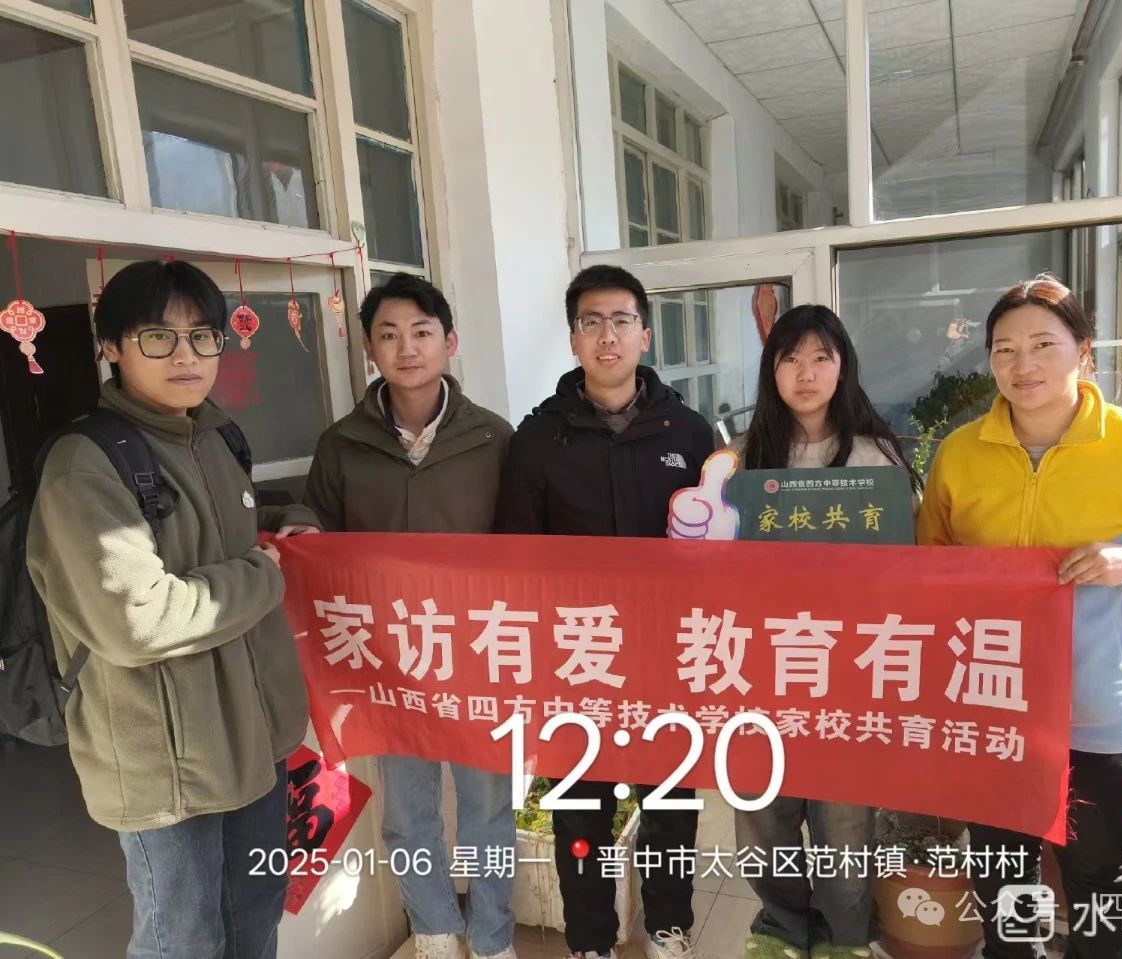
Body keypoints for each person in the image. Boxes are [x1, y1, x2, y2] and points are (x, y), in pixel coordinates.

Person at [916, 274, 1122, 959]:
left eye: (1042, 345)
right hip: (993, 705)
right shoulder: (959, 454)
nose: (1022, 365)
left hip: (1098, 711)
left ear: (1083, 351)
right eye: (1004, 349)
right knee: (1002, 873)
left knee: (1101, 878)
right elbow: (930, 560)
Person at [26, 259, 321, 959]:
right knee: (182, 941)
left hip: (254, 740)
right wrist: (266, 573)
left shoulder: (214, 435)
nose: (186, 355)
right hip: (169, 766)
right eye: (158, 337)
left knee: (256, 919)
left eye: (202, 336)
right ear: (111, 347)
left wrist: (289, 519)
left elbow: (223, 527)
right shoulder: (85, 466)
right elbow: (141, 620)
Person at [495, 264, 715, 959]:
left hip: (667, 653)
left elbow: (720, 549)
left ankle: (668, 926)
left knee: (670, 801)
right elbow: (515, 556)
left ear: (645, 333)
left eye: (621, 320)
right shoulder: (538, 439)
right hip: (575, 655)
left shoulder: (690, 432)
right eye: (591, 322)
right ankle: (590, 940)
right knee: (579, 806)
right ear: (573, 339)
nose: (607, 336)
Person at [304, 273, 516, 959]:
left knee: (487, 809)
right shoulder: (342, 444)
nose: (407, 349)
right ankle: (433, 930)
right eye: (389, 335)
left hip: (480, 654)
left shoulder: (493, 437)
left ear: (449, 341)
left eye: (422, 332)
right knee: (406, 810)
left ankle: (492, 937)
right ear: (370, 350)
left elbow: (523, 544)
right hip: (390, 660)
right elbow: (319, 533)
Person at [728, 304, 918, 959]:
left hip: (848, 672)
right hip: (756, 668)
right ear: (771, 369)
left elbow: (904, 573)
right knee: (761, 810)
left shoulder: (875, 457)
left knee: (844, 820)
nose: (805, 373)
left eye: (820, 358)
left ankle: (846, 935)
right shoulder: (740, 458)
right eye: (790, 358)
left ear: (843, 367)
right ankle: (783, 924)